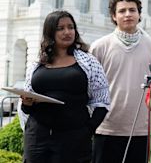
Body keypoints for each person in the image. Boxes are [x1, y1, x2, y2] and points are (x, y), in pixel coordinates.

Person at [21, 10, 110, 163]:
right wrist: (26, 104)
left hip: (73, 138)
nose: (67, 32)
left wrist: (87, 130)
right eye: (60, 28)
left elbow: (102, 101)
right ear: (50, 32)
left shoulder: (89, 62)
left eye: (71, 27)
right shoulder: (37, 64)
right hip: (37, 137)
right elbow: (27, 107)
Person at [90, 0, 151, 163]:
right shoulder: (99, 47)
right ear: (114, 16)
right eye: (122, 11)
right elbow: (89, 87)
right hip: (106, 128)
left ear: (139, 14)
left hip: (142, 130)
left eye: (132, 10)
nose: (128, 14)